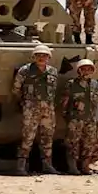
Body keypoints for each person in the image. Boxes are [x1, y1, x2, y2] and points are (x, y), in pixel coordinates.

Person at [12, 44, 60, 175]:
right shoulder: (25, 71)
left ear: (49, 58)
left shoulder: (53, 72)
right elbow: (16, 89)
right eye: (38, 55)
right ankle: (21, 165)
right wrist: (25, 102)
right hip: (31, 109)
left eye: (44, 56)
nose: (41, 58)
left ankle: (47, 165)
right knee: (27, 137)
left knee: (47, 138)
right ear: (34, 57)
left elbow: (53, 90)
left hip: (48, 109)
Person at [60, 59, 98, 175]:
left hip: (90, 118)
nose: (86, 71)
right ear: (79, 70)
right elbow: (64, 102)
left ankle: (85, 166)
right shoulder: (71, 83)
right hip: (75, 118)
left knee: (89, 143)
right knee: (72, 143)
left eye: (89, 69)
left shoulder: (94, 84)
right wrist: (67, 116)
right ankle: (72, 167)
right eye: (84, 69)